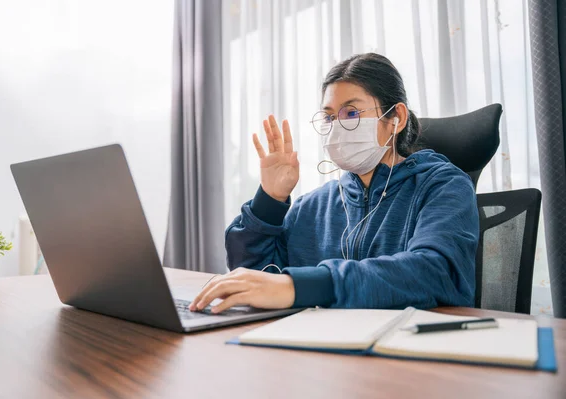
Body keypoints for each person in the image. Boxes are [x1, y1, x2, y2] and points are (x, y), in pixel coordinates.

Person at [190, 53, 478, 314]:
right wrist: (269, 201)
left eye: (351, 113)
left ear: (396, 118)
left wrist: (303, 286)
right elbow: (257, 279)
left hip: (407, 356)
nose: (337, 126)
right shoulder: (312, 206)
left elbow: (435, 273)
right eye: (329, 116)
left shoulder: (443, 186)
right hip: (321, 355)